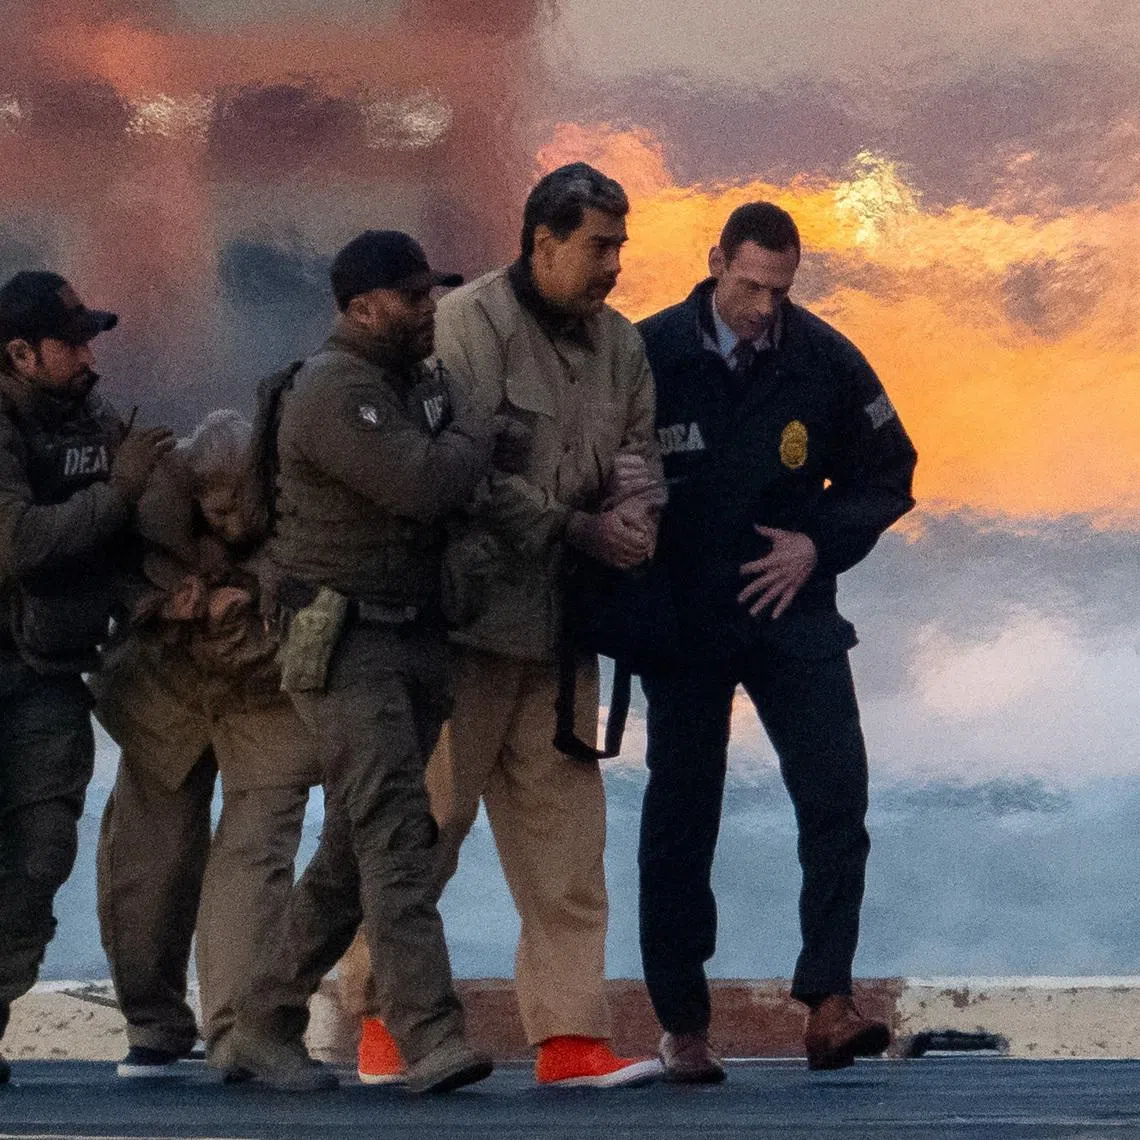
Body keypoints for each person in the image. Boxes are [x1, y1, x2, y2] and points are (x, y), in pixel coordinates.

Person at [341, 163, 664, 1090]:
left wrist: (642, 507)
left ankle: (569, 1041)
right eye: (598, 246)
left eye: (620, 247)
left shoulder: (623, 348)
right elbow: (465, 477)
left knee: (568, 852)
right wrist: (582, 528)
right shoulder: (465, 329)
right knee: (425, 831)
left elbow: (640, 451)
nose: (614, 266)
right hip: (465, 632)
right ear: (543, 241)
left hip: (565, 636)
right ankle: (383, 1027)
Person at [635, 203, 918, 1081]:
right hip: (687, 615)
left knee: (837, 797)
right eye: (751, 285)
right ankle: (683, 1024)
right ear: (715, 260)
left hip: (792, 605)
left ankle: (828, 1001)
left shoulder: (822, 357)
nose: (764, 307)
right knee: (684, 812)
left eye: (781, 290)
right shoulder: (647, 354)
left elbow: (890, 470)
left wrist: (818, 544)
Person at [229, 230, 509, 1094]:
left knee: (356, 849)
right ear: (361, 307)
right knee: (395, 837)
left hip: (412, 634)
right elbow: (424, 483)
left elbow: (455, 473)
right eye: (414, 297)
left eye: (434, 293)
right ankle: (431, 1037)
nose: (432, 310)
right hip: (347, 642)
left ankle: (258, 1024)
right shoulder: (334, 391)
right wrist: (476, 431)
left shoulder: (412, 385)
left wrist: (463, 438)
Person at [93, 409, 321, 1080]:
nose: (226, 520)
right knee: (148, 862)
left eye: (237, 505)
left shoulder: (304, 502)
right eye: (211, 507)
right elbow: (97, 571)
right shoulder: (144, 503)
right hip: (165, 696)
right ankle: (155, 1021)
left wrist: (246, 597)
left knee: (255, 860)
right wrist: (161, 605)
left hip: (266, 697)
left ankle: (238, 1032)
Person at [0, 270, 173, 1085]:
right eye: (72, 342)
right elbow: (21, 541)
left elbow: (115, 541)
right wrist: (121, 489)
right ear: (20, 354)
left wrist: (157, 591)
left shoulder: (92, 419)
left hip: (45, 671)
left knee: (42, 850)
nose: (89, 353)